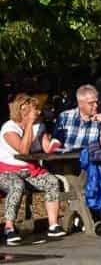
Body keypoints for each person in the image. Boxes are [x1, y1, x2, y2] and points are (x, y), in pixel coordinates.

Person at [0, 94, 66, 244]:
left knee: (51, 181)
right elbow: (23, 151)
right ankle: (9, 227)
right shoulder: (9, 129)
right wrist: (29, 124)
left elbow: (46, 147)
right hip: (6, 171)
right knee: (16, 185)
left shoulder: (39, 125)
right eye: (34, 109)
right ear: (23, 111)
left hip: (30, 170)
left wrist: (55, 141)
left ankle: (53, 225)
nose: (38, 112)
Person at [53, 84, 101, 151]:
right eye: (91, 103)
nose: (96, 105)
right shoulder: (65, 117)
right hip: (66, 159)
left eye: (97, 102)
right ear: (80, 103)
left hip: (90, 160)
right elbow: (55, 144)